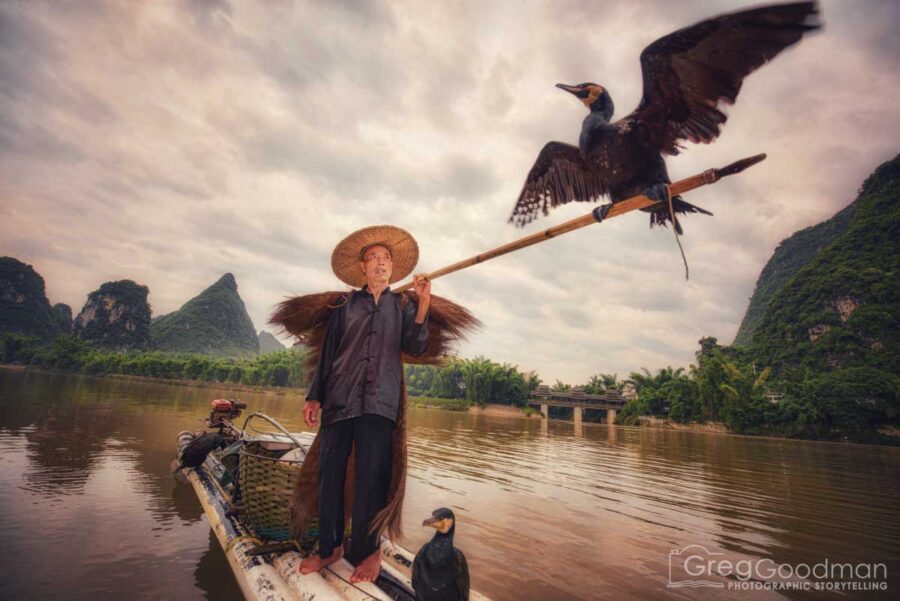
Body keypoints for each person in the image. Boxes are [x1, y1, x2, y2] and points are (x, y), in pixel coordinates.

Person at [297, 225, 432, 583]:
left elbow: (416, 345)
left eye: (386, 258)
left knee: (372, 479)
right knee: (330, 476)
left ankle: (367, 551)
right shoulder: (344, 306)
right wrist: (315, 396)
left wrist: (424, 304)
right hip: (340, 399)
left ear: (392, 268)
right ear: (362, 267)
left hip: (380, 403)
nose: (380, 263)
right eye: (373, 258)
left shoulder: (402, 304)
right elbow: (329, 354)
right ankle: (330, 549)